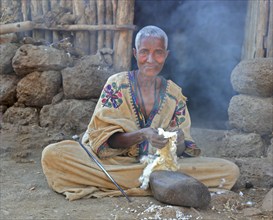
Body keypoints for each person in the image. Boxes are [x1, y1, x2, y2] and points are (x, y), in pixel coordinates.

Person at [41, 25, 240, 201]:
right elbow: (102, 141)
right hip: (111, 163)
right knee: (53, 154)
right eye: (145, 52)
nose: (151, 59)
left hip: (157, 166)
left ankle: (145, 180)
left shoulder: (174, 95)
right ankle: (157, 185)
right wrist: (143, 134)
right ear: (135, 54)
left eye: (158, 53)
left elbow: (181, 152)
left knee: (229, 171)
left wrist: (177, 141)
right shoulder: (116, 85)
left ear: (167, 55)